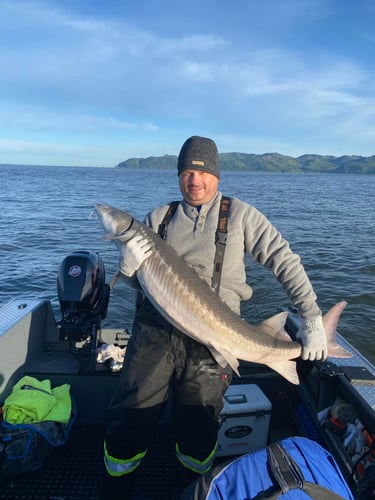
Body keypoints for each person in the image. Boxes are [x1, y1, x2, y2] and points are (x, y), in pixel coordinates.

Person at [101, 135, 328, 499]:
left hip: (216, 342)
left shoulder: (240, 215)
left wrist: (312, 318)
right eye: (188, 171)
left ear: (217, 176)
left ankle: (192, 491)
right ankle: (115, 491)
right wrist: (127, 271)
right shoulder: (158, 218)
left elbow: (284, 260)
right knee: (129, 420)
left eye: (203, 172)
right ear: (178, 176)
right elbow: (141, 284)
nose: (195, 180)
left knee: (198, 430)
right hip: (156, 336)